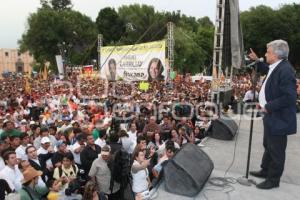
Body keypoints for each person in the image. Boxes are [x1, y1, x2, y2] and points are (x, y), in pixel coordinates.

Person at [248, 39, 297, 189]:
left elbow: (289, 97)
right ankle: (265, 170)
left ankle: (273, 180)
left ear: (276, 54)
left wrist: (268, 106)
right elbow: (266, 70)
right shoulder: (277, 66)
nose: (265, 54)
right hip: (271, 115)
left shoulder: (286, 70)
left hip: (278, 117)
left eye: (268, 52)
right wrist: (257, 61)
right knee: (268, 145)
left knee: (276, 150)